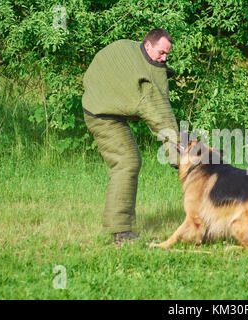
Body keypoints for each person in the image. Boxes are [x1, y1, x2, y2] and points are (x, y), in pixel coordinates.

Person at [82, 28, 179, 244]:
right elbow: (159, 117)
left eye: (167, 55)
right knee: (127, 162)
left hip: (108, 106)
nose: (163, 59)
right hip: (100, 113)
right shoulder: (140, 78)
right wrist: (179, 157)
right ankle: (120, 232)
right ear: (147, 45)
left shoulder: (132, 48)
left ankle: (120, 228)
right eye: (161, 53)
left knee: (130, 161)